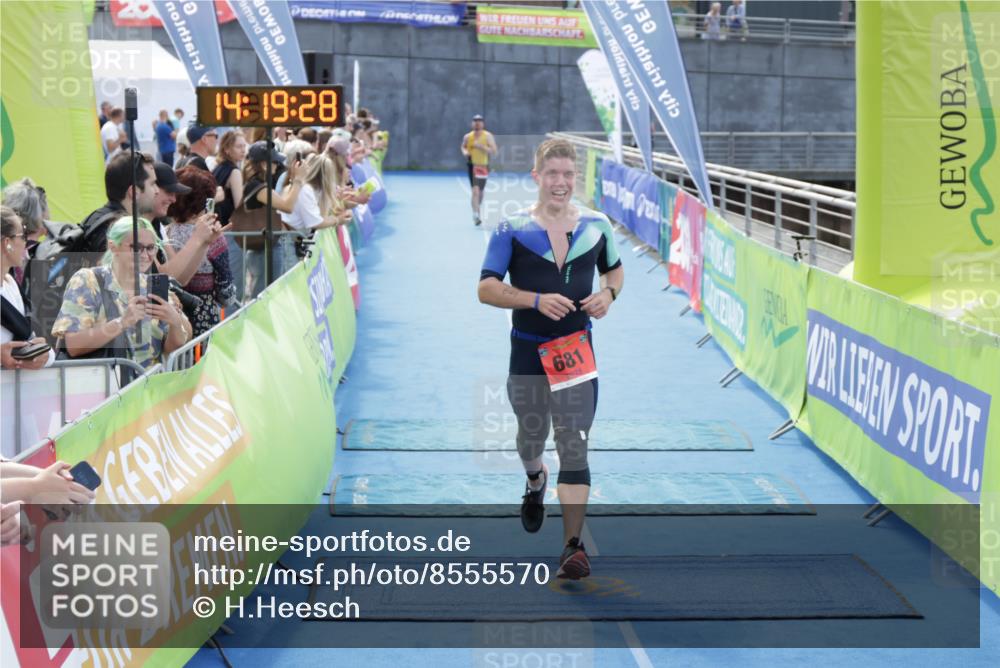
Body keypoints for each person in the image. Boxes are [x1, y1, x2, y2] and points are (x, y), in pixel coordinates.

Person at [477, 139, 624, 580]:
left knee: (574, 442)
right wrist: (533, 299)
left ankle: (573, 548)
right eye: (552, 174)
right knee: (531, 437)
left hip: (577, 352)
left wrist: (608, 294)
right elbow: (485, 288)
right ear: (537, 177)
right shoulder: (512, 229)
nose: (560, 183)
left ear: (575, 178)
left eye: (568, 175)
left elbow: (613, 270)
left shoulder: (598, 226)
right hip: (527, 352)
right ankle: (535, 479)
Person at [52, 217, 192, 371]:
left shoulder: (154, 287)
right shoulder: (88, 280)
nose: (145, 255)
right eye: (136, 247)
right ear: (113, 247)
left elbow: (170, 348)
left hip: (150, 388)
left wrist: (175, 323)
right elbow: (74, 345)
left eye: (151, 247)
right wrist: (122, 322)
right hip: (105, 389)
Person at [166, 168, 237, 335]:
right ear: (205, 201)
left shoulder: (164, 233)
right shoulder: (213, 237)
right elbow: (226, 295)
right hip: (202, 318)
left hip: (172, 317)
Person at [237, 141, 306, 297]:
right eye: (274, 161)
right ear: (264, 164)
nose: (277, 165)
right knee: (266, 295)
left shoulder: (258, 184)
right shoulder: (257, 187)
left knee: (269, 292)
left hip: (266, 247)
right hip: (264, 250)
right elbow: (287, 206)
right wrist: (298, 180)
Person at [1, 207, 54, 370]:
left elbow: (32, 337)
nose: (26, 242)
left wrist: (45, 356)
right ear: (7, 243)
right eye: (23, 235)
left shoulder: (11, 284)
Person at [212, 130, 248, 300]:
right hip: (231, 232)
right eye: (239, 146)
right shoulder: (234, 172)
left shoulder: (217, 168)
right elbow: (240, 205)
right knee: (234, 282)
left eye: (244, 146)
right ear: (227, 149)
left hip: (218, 231)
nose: (243, 150)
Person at [461, 114, 498, 226]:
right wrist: (465, 152)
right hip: (472, 165)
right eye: (475, 121)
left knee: (480, 192)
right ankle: (476, 215)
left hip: (483, 166)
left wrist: (481, 147)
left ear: (483, 123)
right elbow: (463, 146)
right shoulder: (468, 136)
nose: (477, 123)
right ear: (472, 123)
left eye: (479, 121)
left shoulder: (487, 136)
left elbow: (494, 151)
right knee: (475, 191)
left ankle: (477, 206)